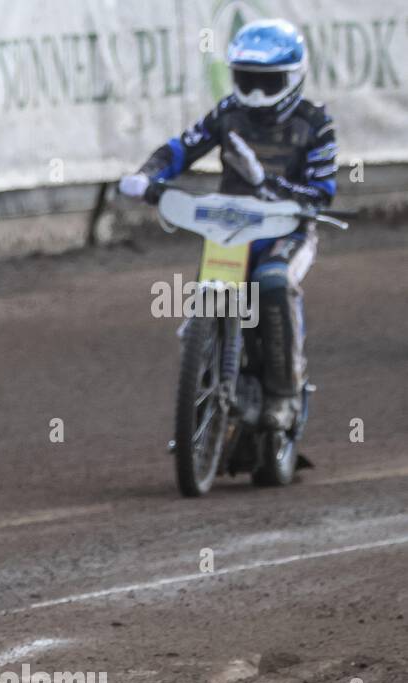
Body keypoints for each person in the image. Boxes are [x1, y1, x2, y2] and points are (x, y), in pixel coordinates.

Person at [120, 18, 337, 431]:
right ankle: (203, 389)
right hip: (230, 231)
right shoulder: (229, 112)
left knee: (273, 282)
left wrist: (264, 182)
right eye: (247, 79)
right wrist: (148, 175)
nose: (255, 93)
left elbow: (321, 194)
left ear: (293, 78)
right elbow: (182, 147)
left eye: (267, 82)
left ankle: (284, 396)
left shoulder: (316, 123)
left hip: (287, 232)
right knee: (201, 307)